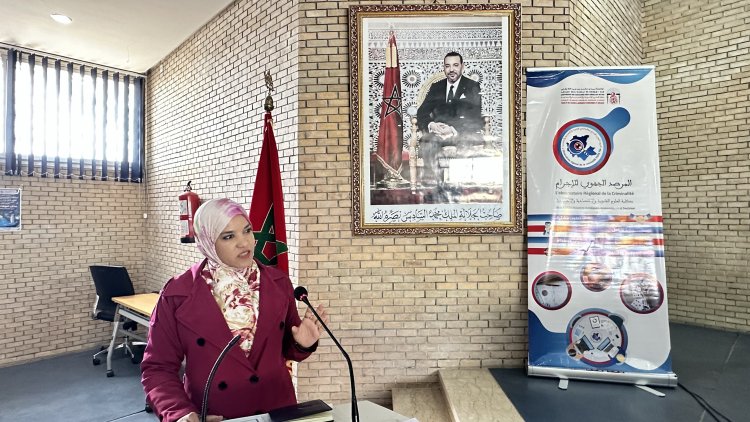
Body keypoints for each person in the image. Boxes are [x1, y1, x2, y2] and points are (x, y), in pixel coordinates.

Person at [141, 198, 328, 422]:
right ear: (208, 241)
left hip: (277, 410)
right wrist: (179, 413)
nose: (244, 242)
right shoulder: (177, 294)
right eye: (229, 236)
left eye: (247, 231)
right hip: (215, 414)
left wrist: (301, 344)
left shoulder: (278, 283)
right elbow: (157, 368)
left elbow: (287, 352)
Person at [416, 52, 483, 188]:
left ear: (462, 67)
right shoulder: (436, 87)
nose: (451, 69)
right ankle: (434, 186)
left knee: (466, 142)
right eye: (448, 66)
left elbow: (474, 116)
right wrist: (431, 125)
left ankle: (461, 187)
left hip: (461, 133)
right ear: (444, 68)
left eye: (455, 65)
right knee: (428, 142)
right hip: (437, 134)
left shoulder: (472, 86)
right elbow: (421, 112)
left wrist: (452, 129)